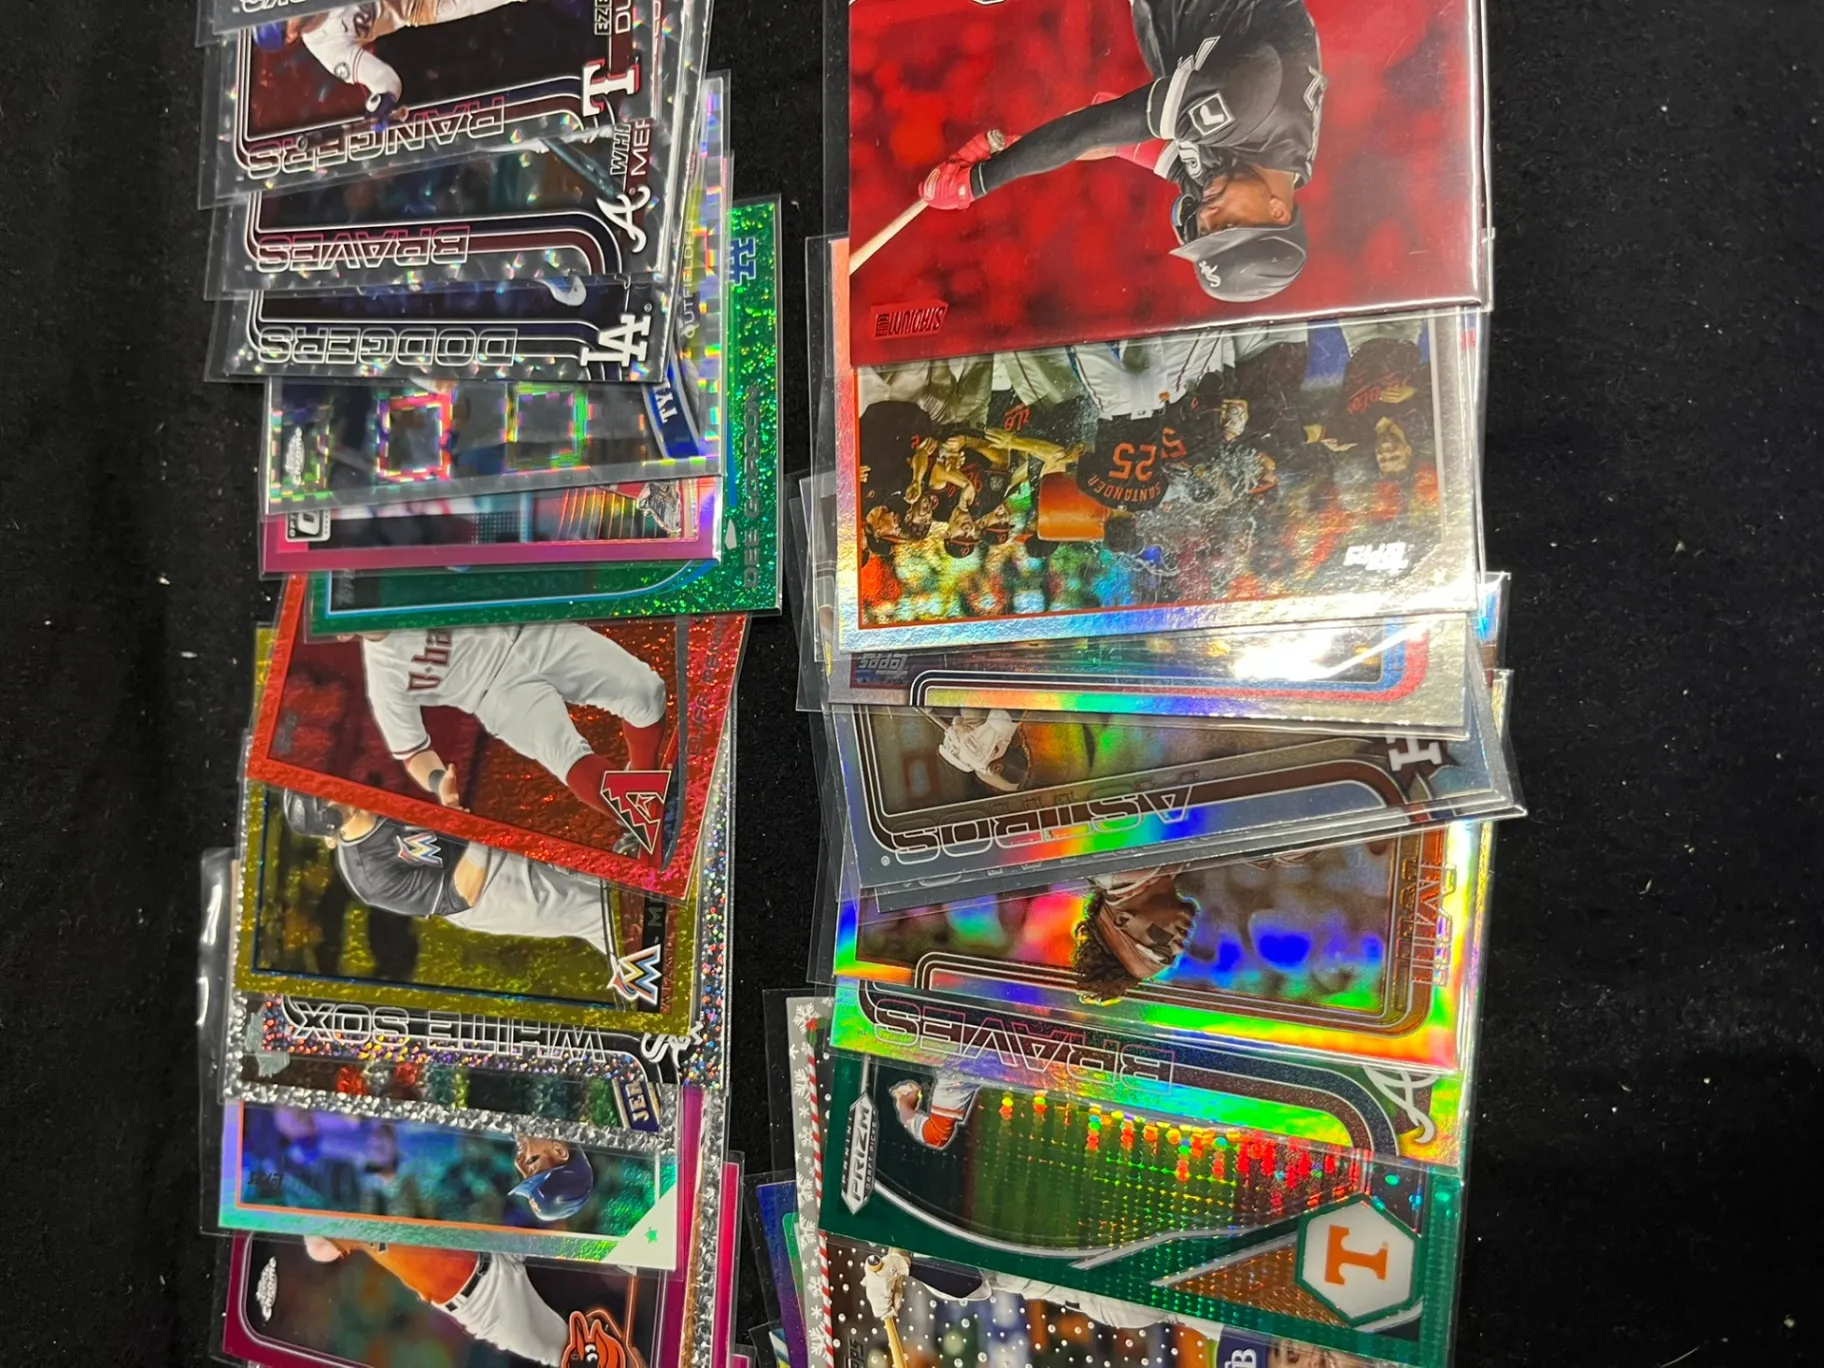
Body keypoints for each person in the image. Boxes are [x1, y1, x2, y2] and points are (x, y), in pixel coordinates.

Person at [913, 0, 1324, 303]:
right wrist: (978, 182)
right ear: (1278, 211)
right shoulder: (1257, 111)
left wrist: (1013, 147)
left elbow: (1116, 140)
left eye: (1205, 232)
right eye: (1227, 225)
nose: (1207, 215)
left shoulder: (1247, 173)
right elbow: (1094, 127)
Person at [356, 621, 667, 852]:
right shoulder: (384, 679)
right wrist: (439, 782)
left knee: (645, 691)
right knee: (567, 755)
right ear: (343, 634)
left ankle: (646, 785)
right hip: (495, 693)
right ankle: (643, 815)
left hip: (533, 633)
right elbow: (412, 752)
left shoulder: (411, 579)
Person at [280, 791, 621, 960]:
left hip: (489, 840)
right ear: (331, 818)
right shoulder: (368, 874)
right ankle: (652, 979)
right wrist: (475, 831)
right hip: (490, 889)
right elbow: (459, 894)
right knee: (598, 913)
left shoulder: (374, 793)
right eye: (327, 793)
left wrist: (443, 795)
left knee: (610, 875)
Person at [299, 1238, 639, 1367]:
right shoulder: (349, 1222)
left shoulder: (380, 1172)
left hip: (485, 1235)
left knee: (583, 1223)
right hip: (485, 1299)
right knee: (561, 1351)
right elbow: (317, 1247)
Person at [254, 0, 534, 123]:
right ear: (290, 37)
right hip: (424, 5)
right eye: (283, 20)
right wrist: (383, 99)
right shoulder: (327, 47)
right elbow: (383, 79)